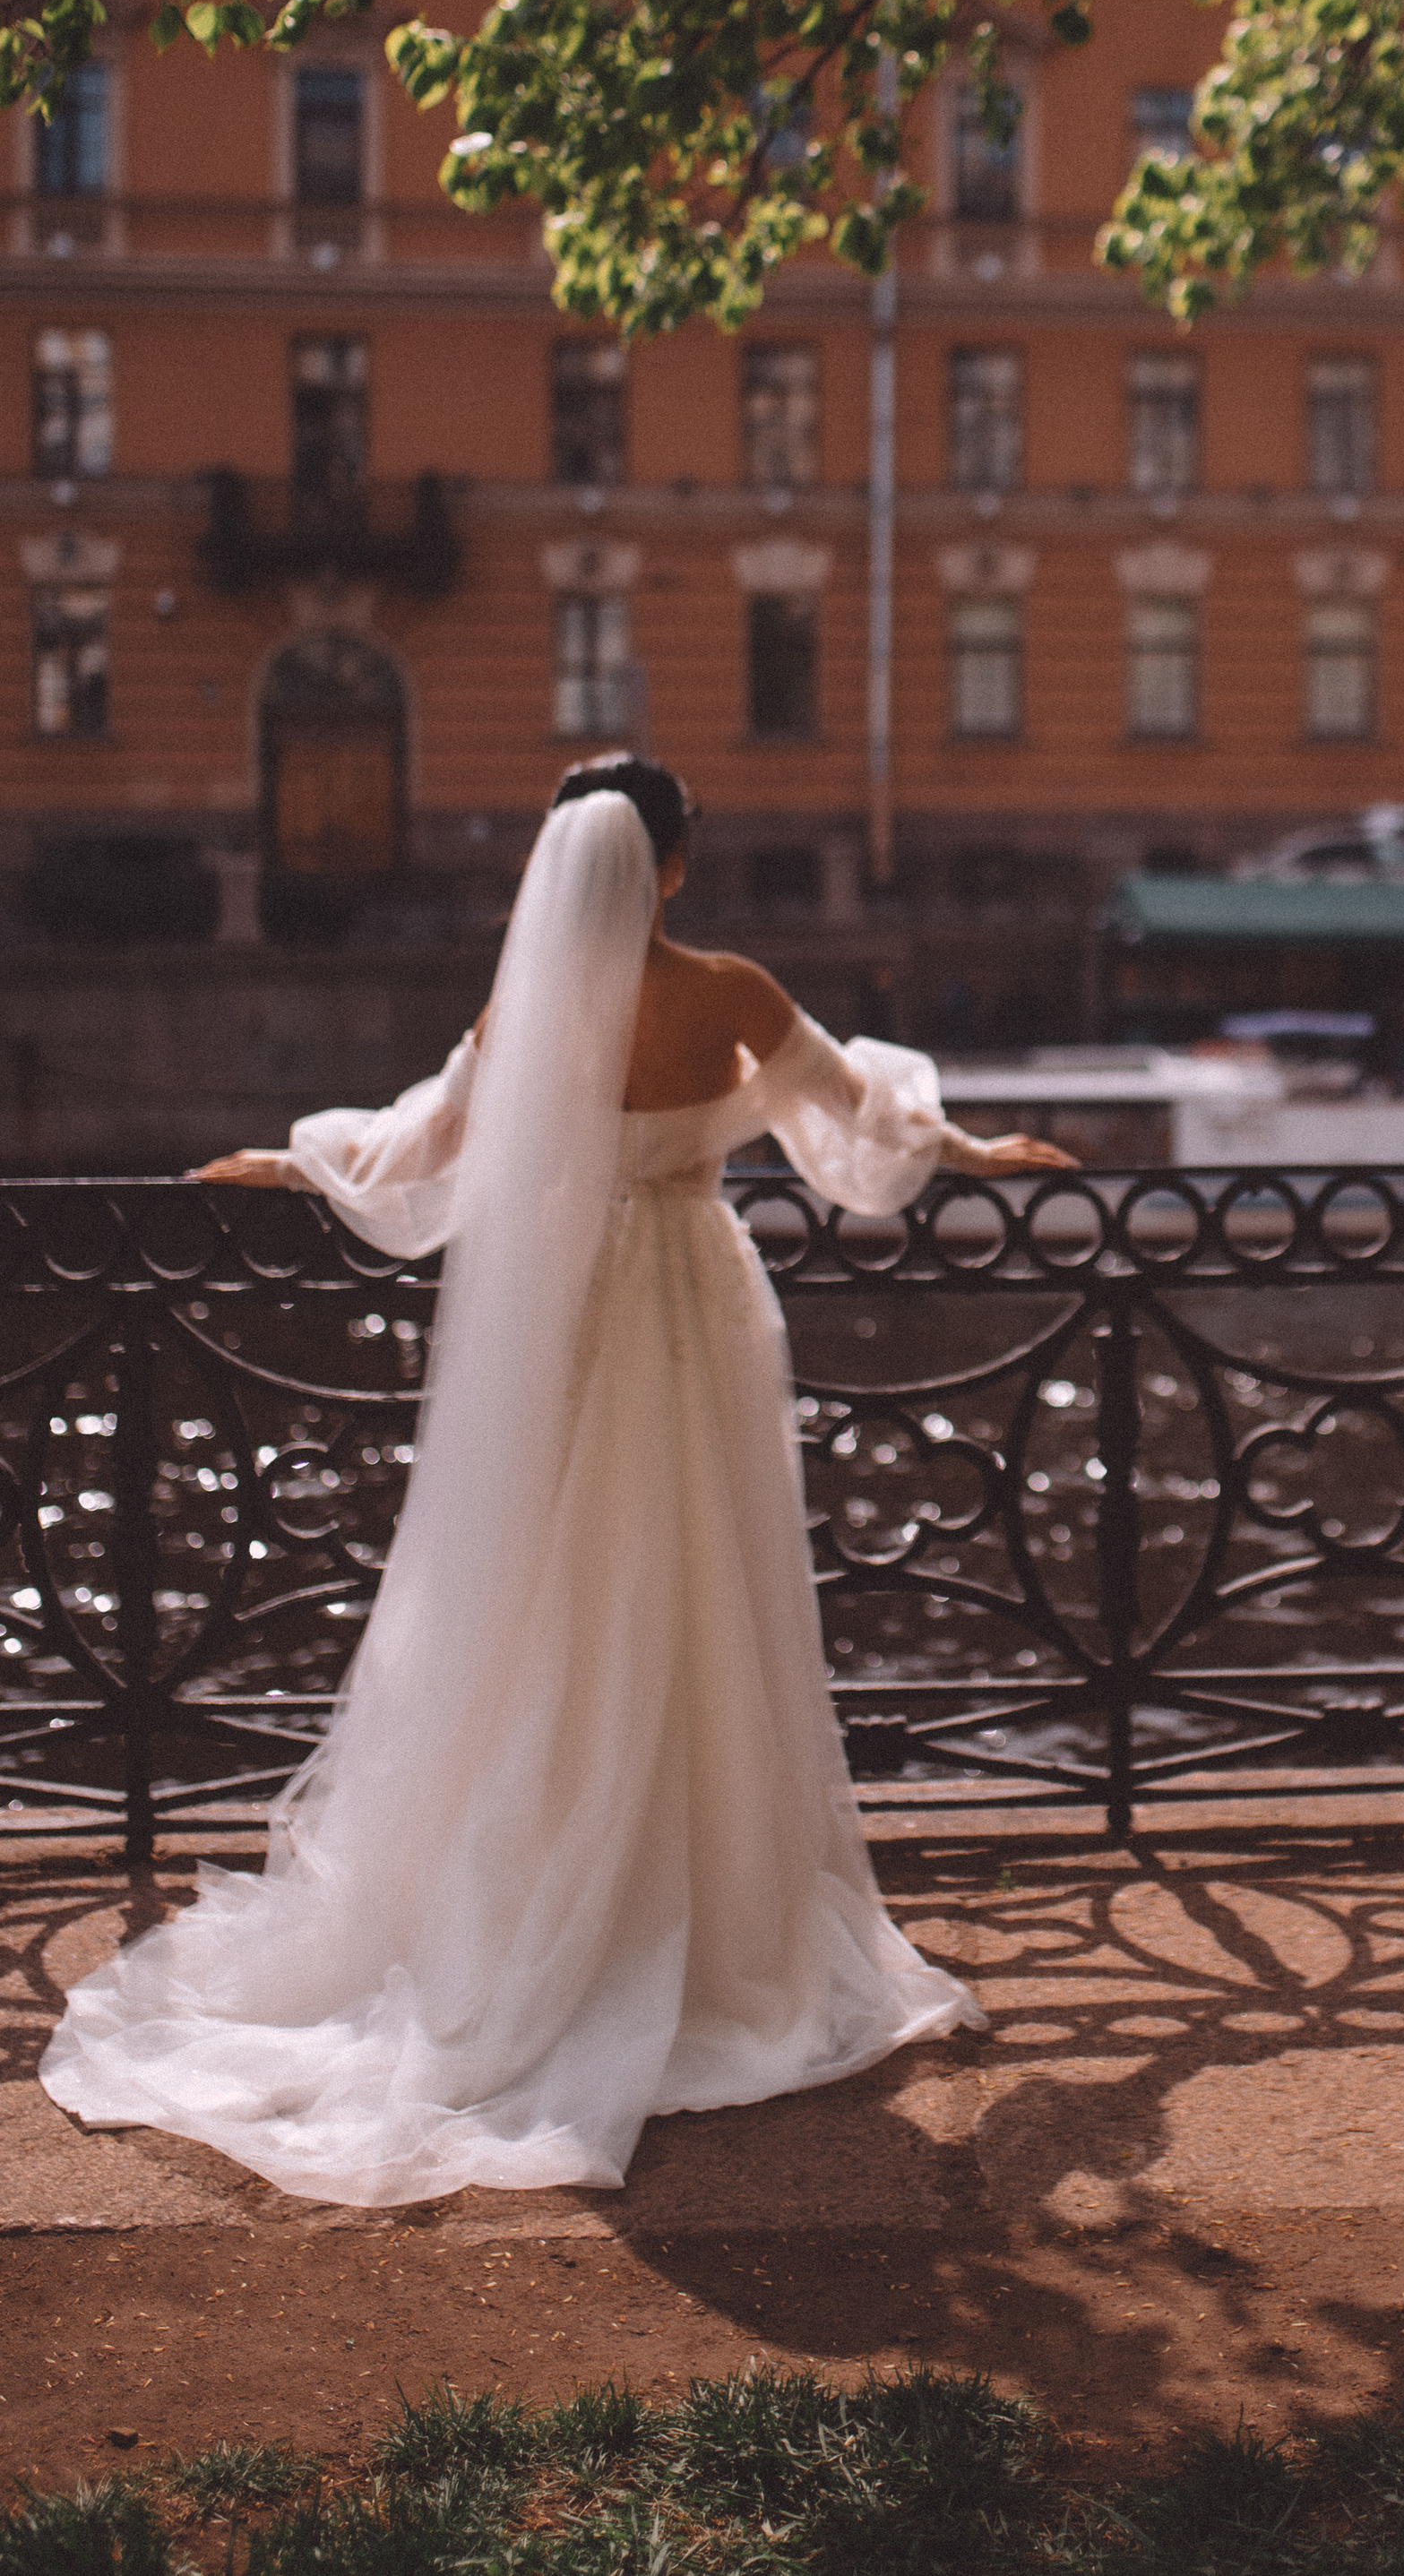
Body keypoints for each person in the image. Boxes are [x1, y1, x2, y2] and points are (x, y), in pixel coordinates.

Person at [41, 757, 1073, 2209]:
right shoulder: (728, 991)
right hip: (698, 1312)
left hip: (568, 1318)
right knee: (705, 1589)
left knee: (550, 1594)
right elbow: (859, 1127)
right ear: (676, 862)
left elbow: (424, 1147)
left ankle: (536, 1893)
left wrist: (297, 1157)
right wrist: (972, 1144)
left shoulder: (524, 1006)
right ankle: (713, 1911)